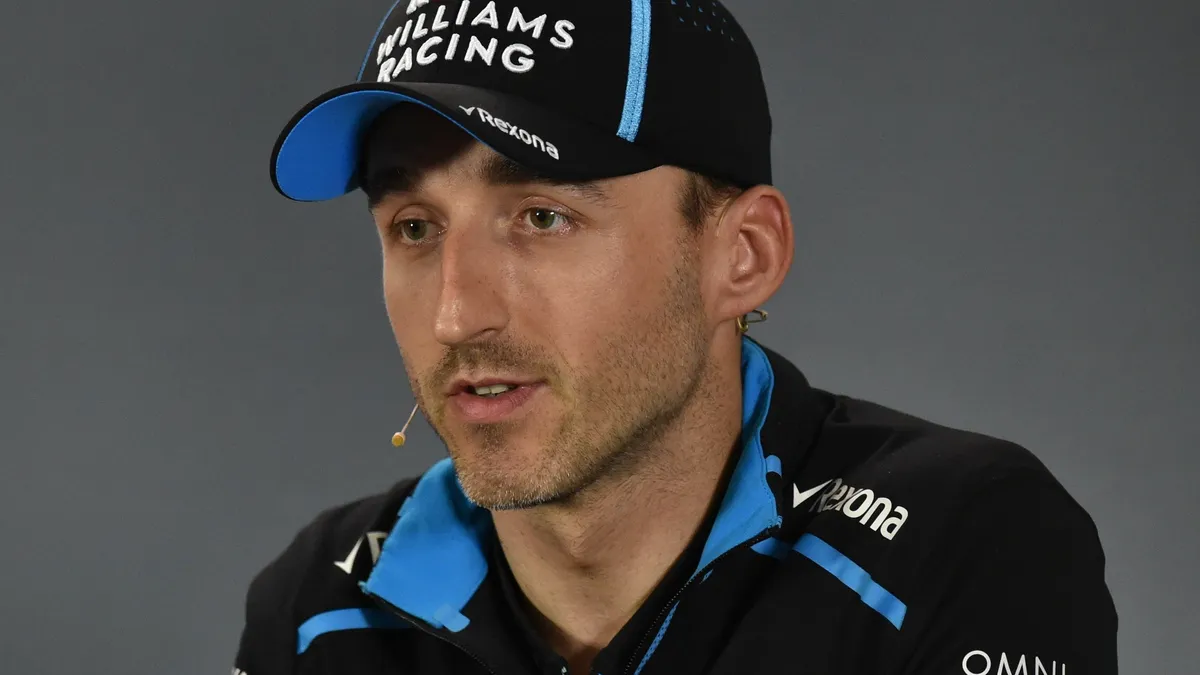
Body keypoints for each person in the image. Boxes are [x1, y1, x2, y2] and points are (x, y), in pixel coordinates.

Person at [235, 1, 1119, 673]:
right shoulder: (320, 603)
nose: (456, 316)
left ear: (742, 255)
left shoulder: (959, 540)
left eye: (542, 216)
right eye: (415, 228)